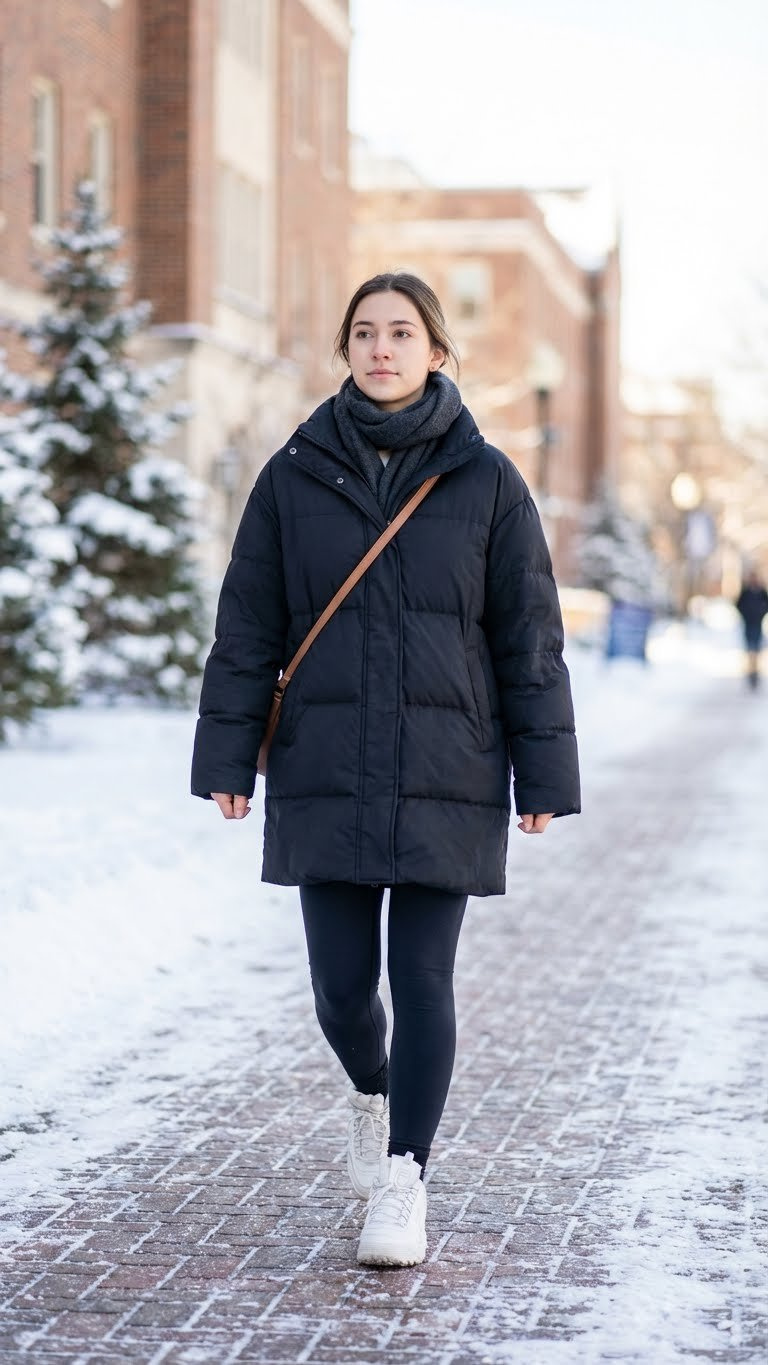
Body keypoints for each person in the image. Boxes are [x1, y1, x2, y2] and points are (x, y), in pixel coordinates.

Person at [191, 272, 580, 1268]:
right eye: (363, 331)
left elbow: (529, 639)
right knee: (339, 990)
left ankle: (406, 1178)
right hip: (326, 762)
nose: (380, 347)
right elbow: (247, 629)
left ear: (437, 354)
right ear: (347, 350)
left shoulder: (489, 482)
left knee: (423, 977)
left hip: (448, 763)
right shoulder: (292, 475)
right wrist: (228, 755)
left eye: (401, 332)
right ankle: (372, 1092)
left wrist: (543, 777)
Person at [735, 569, 768, 690]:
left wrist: (761, 612)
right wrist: (746, 614)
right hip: (748, 624)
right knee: (750, 649)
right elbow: (738, 605)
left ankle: (755, 672)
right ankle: (750, 673)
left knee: (757, 649)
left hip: (758, 625)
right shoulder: (746, 592)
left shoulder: (761, 592)